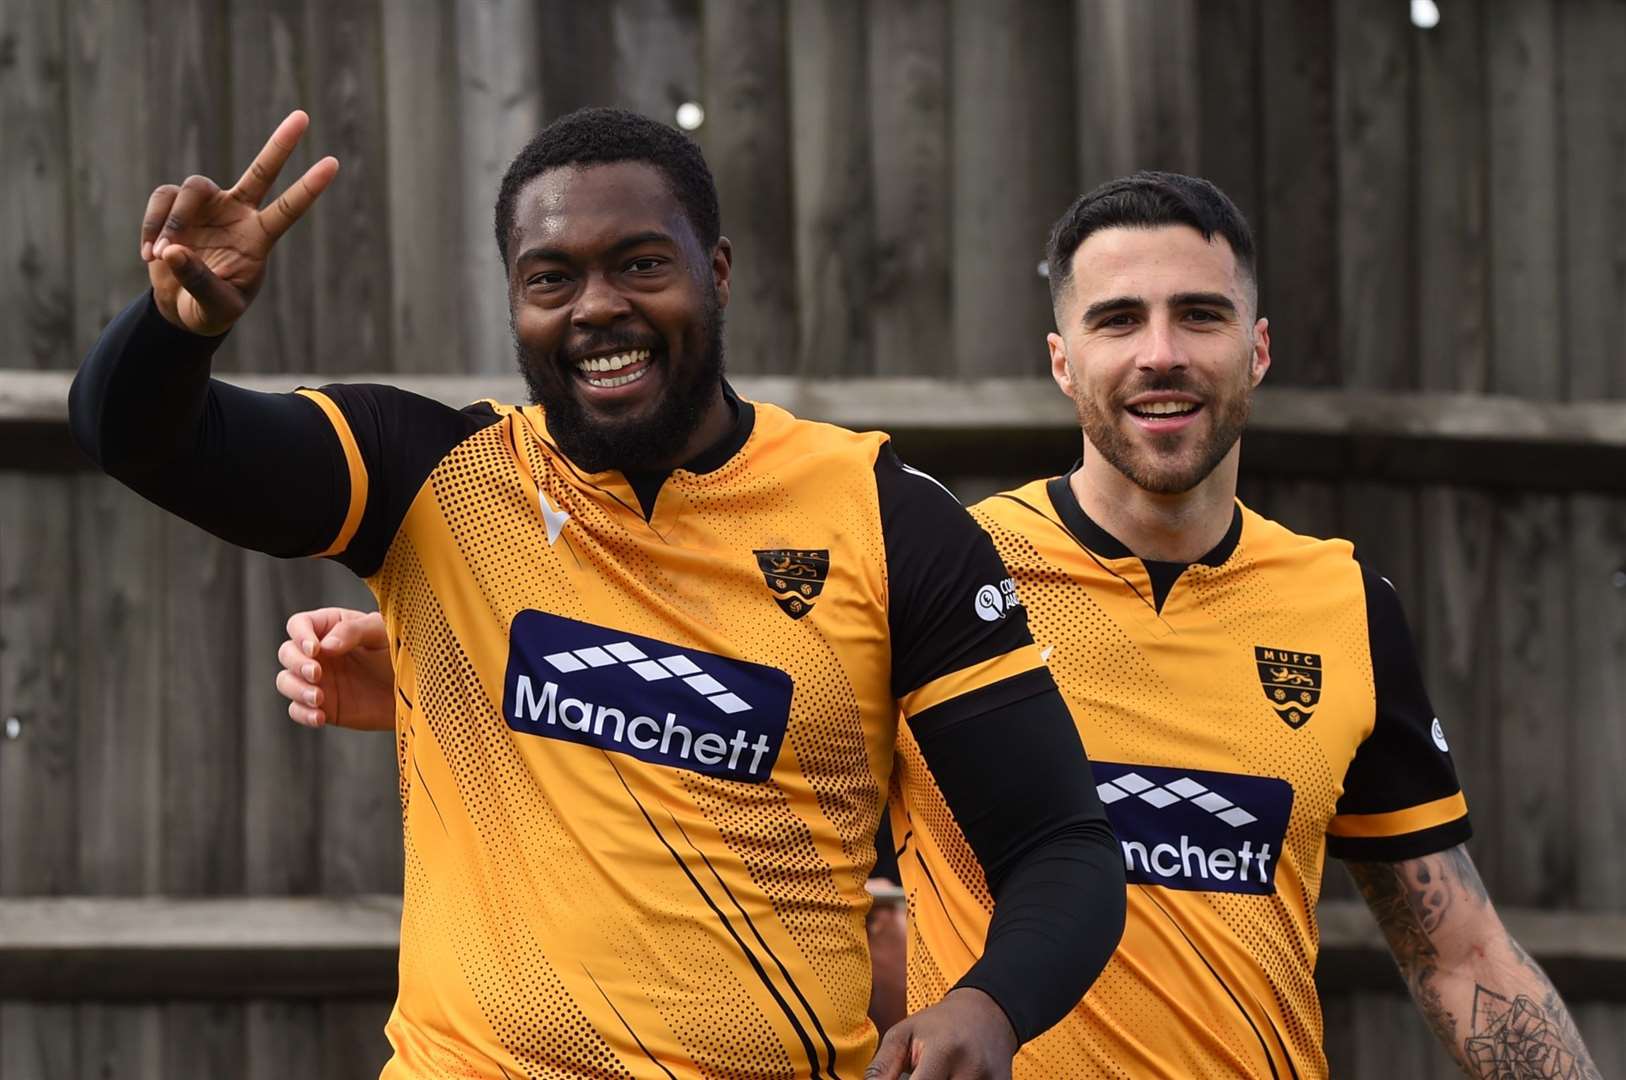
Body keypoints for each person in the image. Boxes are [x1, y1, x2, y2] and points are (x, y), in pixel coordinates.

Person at [68, 107, 1125, 1080]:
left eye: (639, 264)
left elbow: (1060, 846)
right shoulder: (428, 479)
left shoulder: (887, 519)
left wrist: (990, 1004)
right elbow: (139, 437)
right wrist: (176, 330)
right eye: (551, 278)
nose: (598, 308)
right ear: (517, 303)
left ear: (715, 272)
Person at [892, 172, 1601, 1078]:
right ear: (1063, 360)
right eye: (1117, 320)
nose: (1161, 354)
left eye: (1200, 315)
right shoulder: (952, 575)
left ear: (1257, 349)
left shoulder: (1344, 602)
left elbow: (1460, 957)